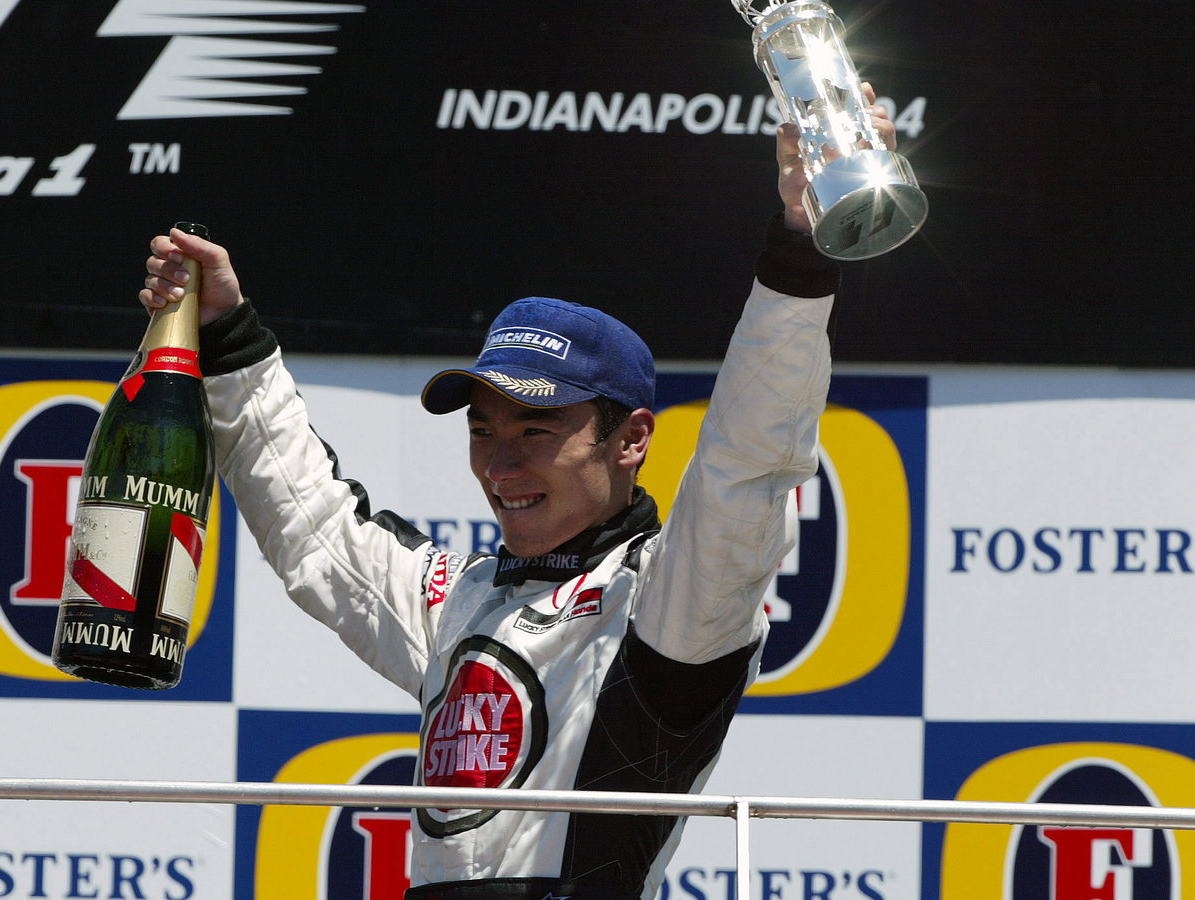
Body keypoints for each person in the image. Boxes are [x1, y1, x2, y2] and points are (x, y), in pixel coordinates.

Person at [139, 88, 895, 900]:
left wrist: (801, 253)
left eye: (536, 432)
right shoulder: (456, 598)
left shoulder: (670, 600)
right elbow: (310, 523)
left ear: (632, 439)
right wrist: (225, 333)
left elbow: (746, 460)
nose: (501, 464)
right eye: (482, 430)